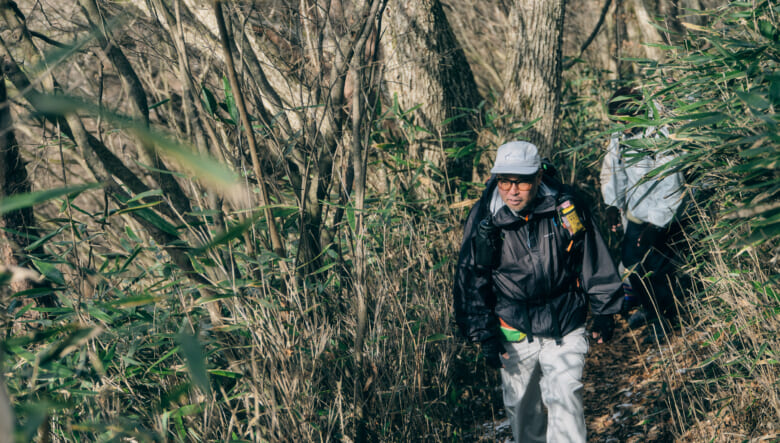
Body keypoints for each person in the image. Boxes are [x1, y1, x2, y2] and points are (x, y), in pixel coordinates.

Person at [453, 141, 623, 443]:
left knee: (566, 401)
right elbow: (471, 277)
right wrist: (484, 334)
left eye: (522, 182)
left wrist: (604, 311)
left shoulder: (564, 206)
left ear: (538, 178)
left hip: (566, 320)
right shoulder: (486, 218)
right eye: (505, 181)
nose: (512, 190)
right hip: (514, 328)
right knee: (522, 411)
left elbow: (591, 256)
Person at [600, 86, 686, 342]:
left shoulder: (659, 132)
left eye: (625, 120)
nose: (622, 127)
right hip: (637, 214)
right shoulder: (621, 134)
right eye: (617, 122)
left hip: (664, 218)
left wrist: (658, 224)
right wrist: (612, 205)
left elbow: (673, 181)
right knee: (631, 268)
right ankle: (650, 311)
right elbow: (614, 168)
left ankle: (665, 322)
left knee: (658, 272)